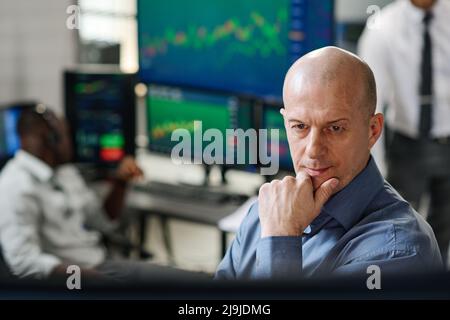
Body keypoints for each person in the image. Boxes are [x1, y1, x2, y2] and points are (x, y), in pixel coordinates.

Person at [215, 46, 443, 280]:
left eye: (335, 128)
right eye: (300, 126)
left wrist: (281, 240)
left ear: (372, 130)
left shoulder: (398, 252)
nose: (313, 149)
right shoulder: (264, 214)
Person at [0, 104, 169, 282]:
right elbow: (24, 264)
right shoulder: (15, 186)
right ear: (51, 139)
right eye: (67, 135)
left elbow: (103, 221)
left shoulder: (65, 172)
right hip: (73, 280)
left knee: (193, 281)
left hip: (102, 265)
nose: (72, 142)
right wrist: (93, 281)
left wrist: (120, 182)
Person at [358, 0, 450, 265]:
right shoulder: (383, 27)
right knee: (397, 230)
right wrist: (371, 169)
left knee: (442, 229)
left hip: (447, 141)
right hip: (407, 146)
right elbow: (369, 106)